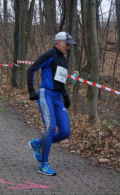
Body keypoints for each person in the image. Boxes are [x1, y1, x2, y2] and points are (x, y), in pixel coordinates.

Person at [27, 31, 77, 176]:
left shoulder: (63, 59)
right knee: (50, 127)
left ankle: (37, 143)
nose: (69, 47)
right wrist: (31, 90)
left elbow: (60, 79)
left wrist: (65, 96)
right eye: (67, 44)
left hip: (57, 98)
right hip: (46, 94)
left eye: (70, 45)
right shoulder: (49, 55)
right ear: (58, 42)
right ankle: (44, 164)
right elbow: (31, 69)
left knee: (65, 131)